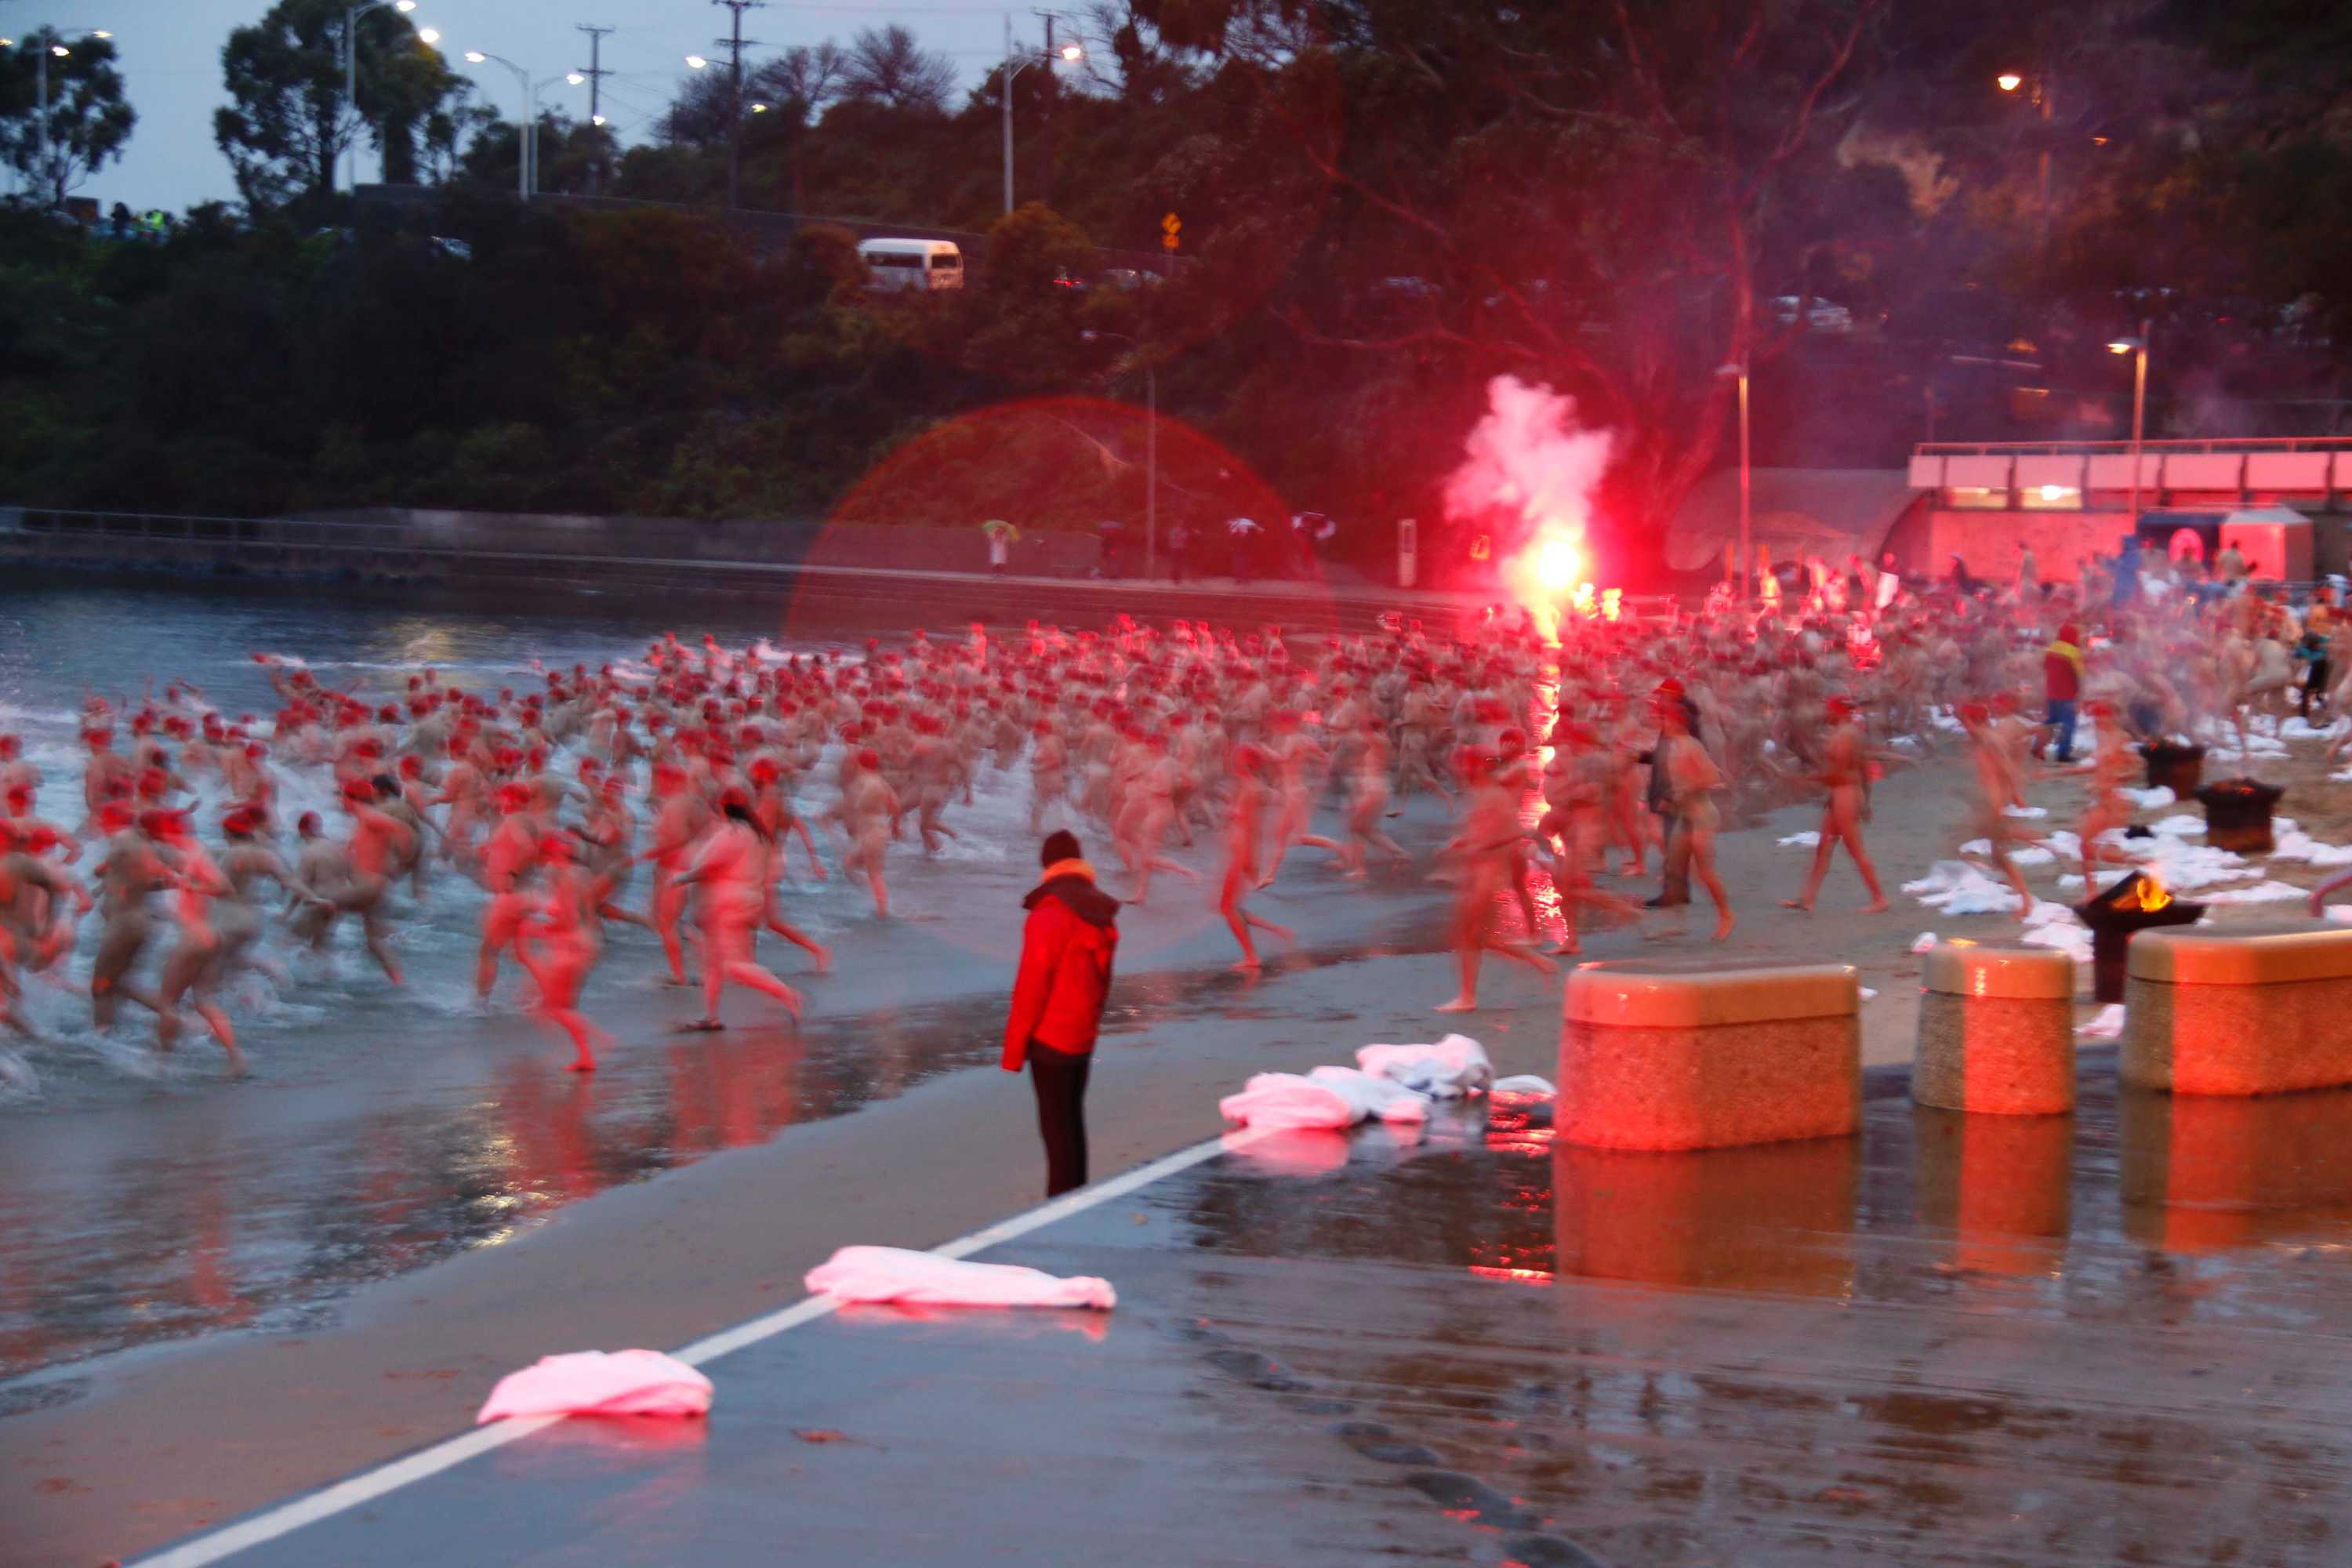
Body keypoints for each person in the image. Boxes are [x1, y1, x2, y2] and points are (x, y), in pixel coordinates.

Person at [1001, 830, 1120, 1198]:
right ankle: (1076, 1197)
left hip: (1050, 1040)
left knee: (1056, 1131)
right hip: (1082, 1036)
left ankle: (1061, 1205)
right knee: (1072, 1123)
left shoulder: (1051, 912)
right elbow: (1103, 981)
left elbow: (1031, 986)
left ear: (1047, 866)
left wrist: (1013, 1052)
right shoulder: (1099, 911)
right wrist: (1091, 1025)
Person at [2035, 622, 2085, 764]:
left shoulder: (2051, 648)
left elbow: (2043, 667)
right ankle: (2063, 753)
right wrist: (2081, 694)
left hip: (2051, 693)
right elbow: (2080, 675)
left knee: (2051, 721)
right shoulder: (2073, 652)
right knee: (2068, 724)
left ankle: (2038, 747)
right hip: (2067, 694)